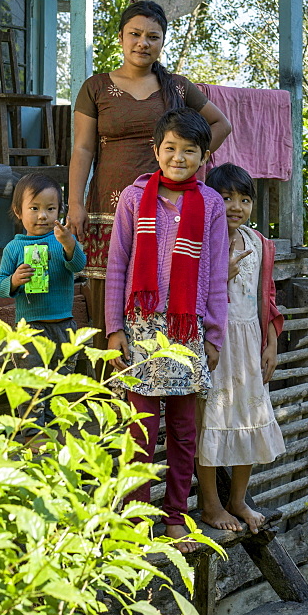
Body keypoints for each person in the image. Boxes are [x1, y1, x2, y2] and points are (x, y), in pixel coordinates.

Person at [67, 0, 231, 354]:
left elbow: (221, 124)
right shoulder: (95, 88)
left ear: (162, 42)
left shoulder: (178, 88)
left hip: (163, 209)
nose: (143, 43)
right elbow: (82, 150)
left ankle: (162, 382)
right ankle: (107, 392)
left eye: (152, 37)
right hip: (107, 210)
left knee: (163, 287)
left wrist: (188, 163)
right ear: (121, 38)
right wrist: (75, 203)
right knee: (108, 295)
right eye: (135, 34)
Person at [104, 108, 228, 551]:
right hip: (140, 328)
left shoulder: (210, 205)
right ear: (156, 151)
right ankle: (137, 519)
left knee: (182, 429)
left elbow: (214, 274)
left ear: (203, 156)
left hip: (185, 329)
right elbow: (117, 262)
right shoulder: (135, 198)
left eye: (189, 150)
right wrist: (114, 327)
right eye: (170, 148)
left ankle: (175, 515)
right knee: (140, 428)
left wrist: (214, 335)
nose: (178, 157)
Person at [197, 163, 285, 533]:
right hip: (216, 343)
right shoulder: (202, 240)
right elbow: (190, 293)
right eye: (226, 197)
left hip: (251, 344)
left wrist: (272, 343)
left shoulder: (259, 244)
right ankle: (211, 504)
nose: (236, 206)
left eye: (244, 199)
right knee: (212, 419)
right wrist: (220, 275)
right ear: (211, 202)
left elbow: (268, 297)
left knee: (248, 417)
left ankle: (237, 500)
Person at [0, 173, 87, 441]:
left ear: (60, 211)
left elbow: (78, 265)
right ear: (18, 211)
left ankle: (56, 431)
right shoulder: (14, 248)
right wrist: (13, 281)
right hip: (30, 329)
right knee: (30, 383)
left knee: (61, 383)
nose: (42, 216)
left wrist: (70, 244)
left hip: (63, 326)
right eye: (34, 208)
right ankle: (33, 436)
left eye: (50, 208)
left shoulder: (61, 241)